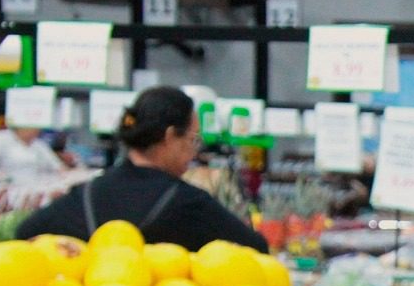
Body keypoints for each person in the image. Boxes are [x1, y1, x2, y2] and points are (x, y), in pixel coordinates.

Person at [17, 86, 267, 252]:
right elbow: (256, 249)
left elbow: (25, 233)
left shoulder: (85, 194)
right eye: (193, 140)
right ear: (170, 137)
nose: (194, 153)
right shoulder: (189, 204)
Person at [0, 125, 71, 175]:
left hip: (32, 191)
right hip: (1, 190)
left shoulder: (39, 145)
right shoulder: (1, 137)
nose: (37, 130)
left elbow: (59, 167)